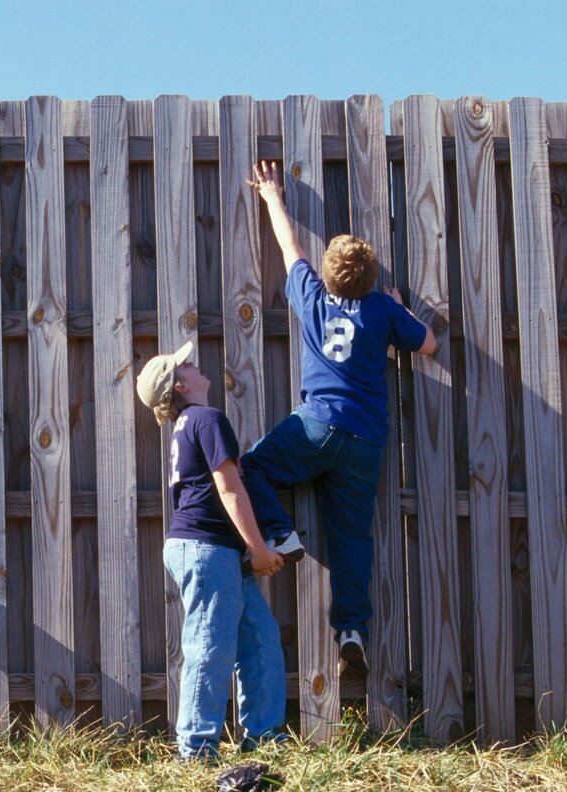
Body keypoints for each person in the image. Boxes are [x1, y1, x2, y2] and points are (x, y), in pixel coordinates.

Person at [242, 161, 437, 677]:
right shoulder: (382, 309)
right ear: (374, 280)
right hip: (366, 441)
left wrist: (271, 197)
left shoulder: (311, 296)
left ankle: (282, 533)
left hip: (317, 425)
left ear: (328, 275)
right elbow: (431, 344)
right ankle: (352, 628)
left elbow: (289, 247)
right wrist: (401, 307)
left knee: (254, 468)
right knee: (352, 537)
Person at [136, 341, 286, 760]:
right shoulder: (207, 418)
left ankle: (266, 739)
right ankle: (196, 749)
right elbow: (229, 488)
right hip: (206, 550)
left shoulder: (189, 424)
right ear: (180, 385)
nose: (193, 362)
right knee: (210, 644)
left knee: (260, 638)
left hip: (211, 548)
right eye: (184, 363)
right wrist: (258, 549)